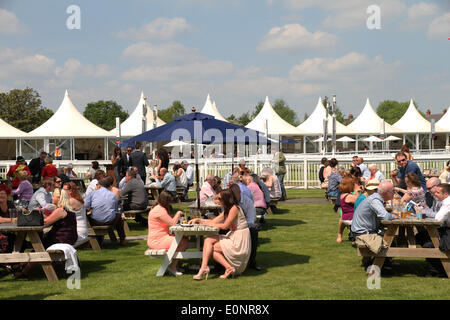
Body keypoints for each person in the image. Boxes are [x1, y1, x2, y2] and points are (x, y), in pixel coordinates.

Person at [189, 188, 251, 280]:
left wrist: (211, 223)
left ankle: (206, 268)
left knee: (210, 247)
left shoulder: (234, 209)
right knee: (208, 240)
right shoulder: (227, 210)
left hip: (239, 240)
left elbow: (225, 226)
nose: (217, 201)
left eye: (219, 199)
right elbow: (214, 221)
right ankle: (220, 268)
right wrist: (198, 220)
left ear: (226, 199)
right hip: (234, 235)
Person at [147, 191, 189, 276]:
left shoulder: (158, 208)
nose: (170, 203)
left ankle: (175, 265)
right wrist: (178, 213)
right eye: (170, 201)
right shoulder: (159, 211)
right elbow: (172, 223)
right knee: (183, 241)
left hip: (160, 238)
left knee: (184, 239)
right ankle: (172, 266)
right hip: (157, 241)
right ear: (166, 201)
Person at [416, 184, 450, 277]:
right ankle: (434, 266)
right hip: (445, 230)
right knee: (420, 236)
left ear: (446, 194)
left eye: (438, 192)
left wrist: (423, 212)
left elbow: (438, 218)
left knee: (429, 244)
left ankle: (437, 271)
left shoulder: (447, 202)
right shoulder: (444, 201)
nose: (435, 194)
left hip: (448, 233)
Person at [84, 177, 126, 246]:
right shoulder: (112, 195)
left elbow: (85, 205)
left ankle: (90, 240)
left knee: (88, 217)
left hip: (96, 221)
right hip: (110, 220)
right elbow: (114, 208)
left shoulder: (93, 193)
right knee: (119, 216)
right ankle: (122, 239)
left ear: (99, 185)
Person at [336, 177, 361, 243]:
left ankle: (340, 235)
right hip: (351, 218)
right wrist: (358, 191)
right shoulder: (349, 196)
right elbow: (359, 201)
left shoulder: (343, 195)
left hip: (344, 218)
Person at [66, 181, 89, 246]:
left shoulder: (71, 201)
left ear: (70, 191)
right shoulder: (78, 199)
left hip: (77, 232)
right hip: (83, 230)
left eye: (64, 190)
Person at [0, 185, 15, 254]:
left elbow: (16, 216)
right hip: (1, 233)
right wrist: (11, 220)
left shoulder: (10, 204)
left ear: (7, 195)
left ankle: (16, 263)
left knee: (20, 239)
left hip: (9, 232)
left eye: (3, 193)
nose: (1, 195)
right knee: (5, 240)